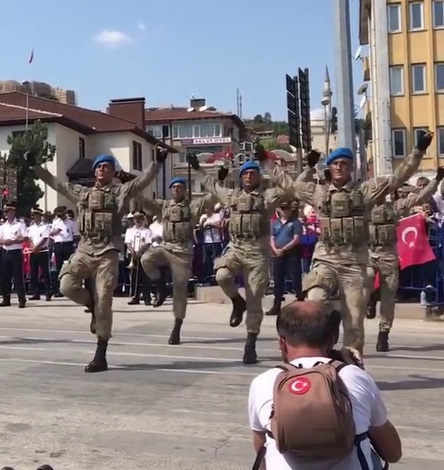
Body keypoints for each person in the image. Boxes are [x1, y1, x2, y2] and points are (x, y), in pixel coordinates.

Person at [280, 134, 429, 355]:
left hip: (354, 264)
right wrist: (265, 160)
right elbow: (289, 184)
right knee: (315, 301)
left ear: (351, 167)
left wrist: (418, 150)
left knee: (355, 323)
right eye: (335, 164)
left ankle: (352, 365)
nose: (340, 167)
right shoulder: (319, 193)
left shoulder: (365, 192)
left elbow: (399, 177)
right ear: (330, 167)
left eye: (344, 164)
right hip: (326, 260)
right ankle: (322, 347)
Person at [30, 148, 165, 372]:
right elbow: (55, 183)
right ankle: (90, 303)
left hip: (107, 251)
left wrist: (157, 163)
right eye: (99, 166)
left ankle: (101, 353)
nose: (103, 169)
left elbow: (142, 181)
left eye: (107, 166)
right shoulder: (81, 192)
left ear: (113, 172)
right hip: (84, 248)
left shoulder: (120, 192)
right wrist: (34, 165)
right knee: (66, 286)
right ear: (95, 172)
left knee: (104, 300)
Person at [248, 301, 402, 469]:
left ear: (282, 342)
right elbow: (393, 453)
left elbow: (261, 450)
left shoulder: (263, 382)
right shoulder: (354, 376)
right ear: (333, 339)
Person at [191, 145, 290, 364]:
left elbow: (287, 186)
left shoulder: (266, 198)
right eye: (245, 173)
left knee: (255, 301)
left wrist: (266, 161)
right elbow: (213, 186)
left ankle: (250, 344)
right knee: (221, 275)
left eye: (252, 173)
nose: (248, 176)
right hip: (236, 248)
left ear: (257, 177)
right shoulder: (232, 197)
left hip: (258, 254)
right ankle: (237, 302)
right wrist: (198, 168)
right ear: (241, 177)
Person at [367, 168, 444, 352]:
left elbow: (421, 196)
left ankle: (383, 334)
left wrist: (437, 180)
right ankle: (370, 298)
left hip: (389, 256)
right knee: (366, 277)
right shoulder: (363, 208)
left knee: (388, 298)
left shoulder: (395, 207)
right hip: (370, 254)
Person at [139, 173, 210, 347]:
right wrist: (131, 185)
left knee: (180, 290)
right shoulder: (164, 206)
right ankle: (160, 286)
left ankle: (177, 326)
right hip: (166, 247)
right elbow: (144, 201)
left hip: (183, 252)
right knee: (146, 258)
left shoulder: (192, 206)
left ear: (185, 190)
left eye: (180, 187)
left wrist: (216, 179)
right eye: (174, 187)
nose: (176, 189)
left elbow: (212, 196)